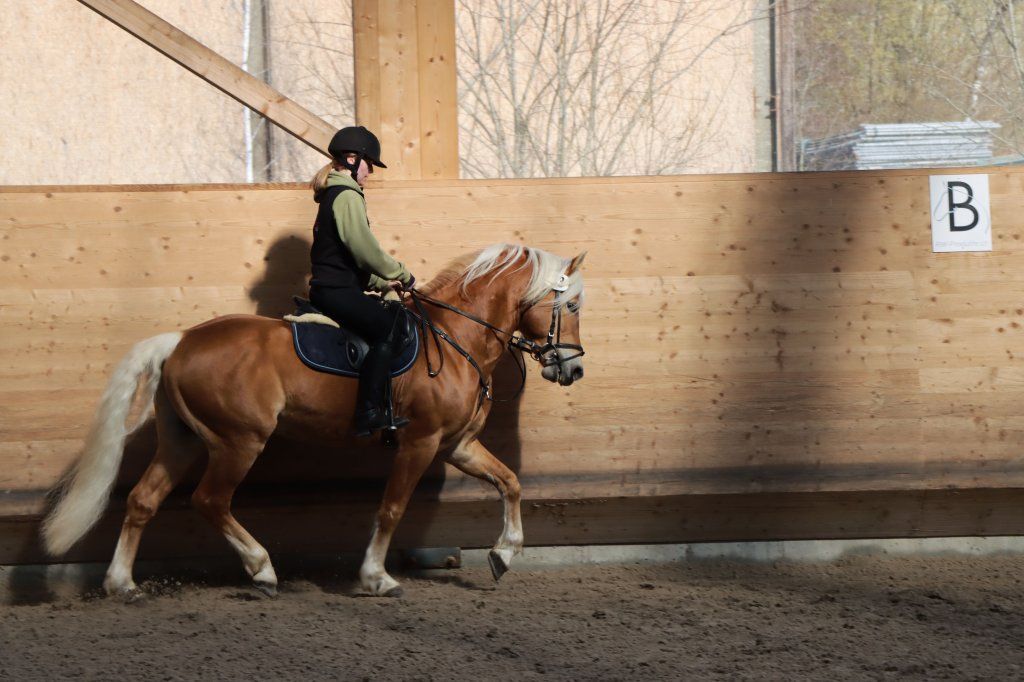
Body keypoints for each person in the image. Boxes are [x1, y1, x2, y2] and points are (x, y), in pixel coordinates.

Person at [308, 126, 415, 436]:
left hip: (336, 287)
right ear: (353, 159)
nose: (370, 173)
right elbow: (365, 248)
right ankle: (368, 411)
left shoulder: (336, 194)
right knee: (390, 328)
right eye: (370, 165)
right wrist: (400, 273)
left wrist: (382, 284)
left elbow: (346, 255)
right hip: (336, 291)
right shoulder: (346, 196)